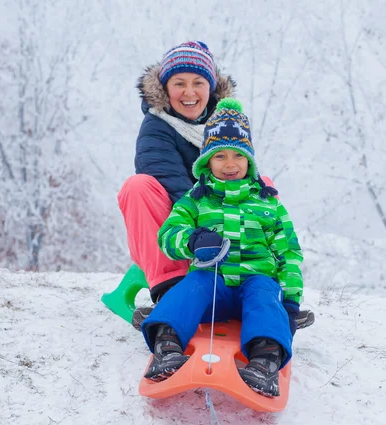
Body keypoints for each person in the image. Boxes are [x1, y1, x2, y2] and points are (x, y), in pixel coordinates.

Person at [116, 41, 314, 331]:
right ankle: (170, 290)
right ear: (165, 87)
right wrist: (200, 231)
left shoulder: (224, 123)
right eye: (179, 83)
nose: (189, 92)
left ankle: (265, 287)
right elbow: (174, 187)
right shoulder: (155, 127)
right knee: (137, 187)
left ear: (210, 87)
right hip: (179, 223)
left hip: (222, 221)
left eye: (198, 82)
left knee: (264, 187)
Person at [140, 98, 303, 397]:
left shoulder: (268, 202)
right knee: (194, 284)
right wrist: (191, 240)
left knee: (265, 292)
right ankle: (167, 344)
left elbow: (288, 252)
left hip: (255, 286)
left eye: (238, 156)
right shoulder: (196, 199)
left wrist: (290, 303)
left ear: (250, 161)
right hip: (213, 287)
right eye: (220, 156)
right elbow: (168, 234)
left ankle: (264, 361)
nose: (230, 165)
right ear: (206, 162)